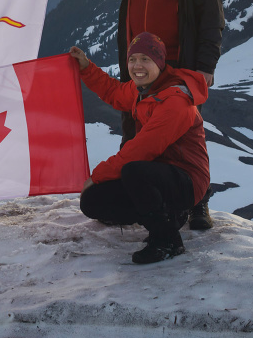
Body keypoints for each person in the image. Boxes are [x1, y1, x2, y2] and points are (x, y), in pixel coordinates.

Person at [26, 0, 223, 229]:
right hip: (137, 63)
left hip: (179, 68)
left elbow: (211, 18)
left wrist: (204, 69)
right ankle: (137, 199)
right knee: (134, 130)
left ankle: (196, 203)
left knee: (185, 136)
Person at [71, 33, 210, 264]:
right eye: (132, 59)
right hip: (158, 175)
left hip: (187, 180)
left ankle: (167, 239)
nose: (137, 66)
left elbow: (141, 151)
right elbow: (114, 92)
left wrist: (96, 176)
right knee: (92, 201)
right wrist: (86, 67)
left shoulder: (175, 102)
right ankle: (167, 215)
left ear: (160, 62)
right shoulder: (143, 89)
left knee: (133, 171)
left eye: (145, 59)